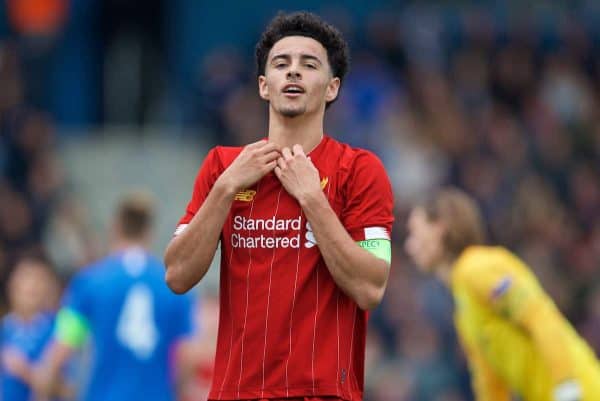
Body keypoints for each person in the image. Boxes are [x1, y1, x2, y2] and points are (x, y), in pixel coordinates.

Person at [164, 11, 394, 401]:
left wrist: (312, 199)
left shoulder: (359, 170)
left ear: (332, 87)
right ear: (263, 86)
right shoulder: (223, 167)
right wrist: (225, 189)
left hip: (322, 393)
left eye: (309, 65)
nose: (293, 73)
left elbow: (370, 286)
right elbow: (177, 274)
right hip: (236, 392)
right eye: (281, 64)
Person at [404, 187, 600, 401]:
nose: (409, 246)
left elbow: (541, 319)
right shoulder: (463, 308)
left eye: (415, 232)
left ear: (440, 228)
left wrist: (567, 386)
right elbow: (490, 383)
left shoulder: (478, 268)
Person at [33, 192, 195, 401]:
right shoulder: (173, 284)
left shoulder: (90, 281)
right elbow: (187, 356)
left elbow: (63, 346)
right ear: (149, 231)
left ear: (115, 227)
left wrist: (42, 391)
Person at [1, 256, 71, 401]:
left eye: (39, 279)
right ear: (11, 285)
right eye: (26, 278)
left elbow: (72, 391)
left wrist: (25, 371)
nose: (32, 286)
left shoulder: (61, 331)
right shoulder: (4, 330)